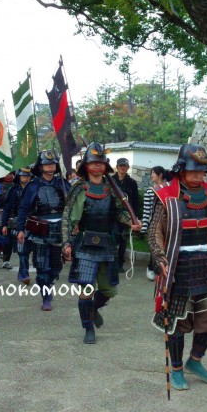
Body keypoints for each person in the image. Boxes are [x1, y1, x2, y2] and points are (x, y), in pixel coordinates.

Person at [148, 143, 207, 390]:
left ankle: (196, 360)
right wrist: (160, 257)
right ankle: (177, 369)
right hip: (177, 266)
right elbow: (154, 231)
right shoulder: (167, 194)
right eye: (193, 171)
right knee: (177, 323)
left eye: (202, 171)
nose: (199, 176)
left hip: (206, 266)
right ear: (181, 169)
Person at [62, 142, 141, 344]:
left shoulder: (111, 189)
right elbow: (67, 216)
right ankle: (88, 328)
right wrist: (66, 243)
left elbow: (120, 212)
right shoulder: (78, 188)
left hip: (107, 244)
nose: (97, 167)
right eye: (93, 163)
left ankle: (94, 309)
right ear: (86, 166)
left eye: (100, 163)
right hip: (84, 245)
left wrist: (131, 223)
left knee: (108, 290)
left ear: (105, 166)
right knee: (85, 290)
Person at [17, 150, 69, 311]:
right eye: (47, 164)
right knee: (41, 266)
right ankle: (46, 296)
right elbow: (23, 209)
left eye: (52, 164)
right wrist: (20, 229)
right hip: (39, 230)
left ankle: (50, 283)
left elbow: (72, 206)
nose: (50, 166)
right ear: (40, 166)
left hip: (59, 230)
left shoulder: (63, 184)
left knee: (56, 266)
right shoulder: (32, 186)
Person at [1, 167, 32, 284]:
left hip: (35, 223)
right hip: (19, 224)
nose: (26, 178)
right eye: (24, 176)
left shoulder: (36, 189)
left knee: (36, 250)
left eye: (28, 176)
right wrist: (4, 224)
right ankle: (24, 274)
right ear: (19, 177)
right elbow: (7, 208)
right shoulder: (14, 191)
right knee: (22, 250)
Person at [112, 157, 139, 273]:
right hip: (113, 213)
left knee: (123, 238)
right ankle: (111, 262)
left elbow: (135, 201)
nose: (122, 168)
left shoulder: (132, 183)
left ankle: (119, 263)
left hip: (127, 215)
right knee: (113, 238)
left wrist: (135, 217)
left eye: (125, 166)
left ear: (128, 168)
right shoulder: (111, 181)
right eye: (120, 165)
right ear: (117, 167)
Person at [141, 166, 166, 280]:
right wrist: (144, 227)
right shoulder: (150, 191)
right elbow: (147, 211)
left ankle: (162, 267)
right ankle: (151, 267)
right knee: (155, 247)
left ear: (160, 175)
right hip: (154, 223)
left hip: (167, 224)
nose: (151, 175)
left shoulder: (168, 189)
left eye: (153, 173)